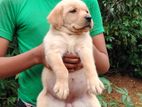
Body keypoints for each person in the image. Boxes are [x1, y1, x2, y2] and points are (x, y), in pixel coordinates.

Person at [0, 0, 110, 106]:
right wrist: (37, 56)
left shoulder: (88, 2)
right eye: (73, 11)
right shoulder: (12, 2)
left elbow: (104, 65)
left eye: (86, 12)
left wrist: (84, 45)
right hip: (40, 102)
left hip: (82, 101)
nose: (86, 15)